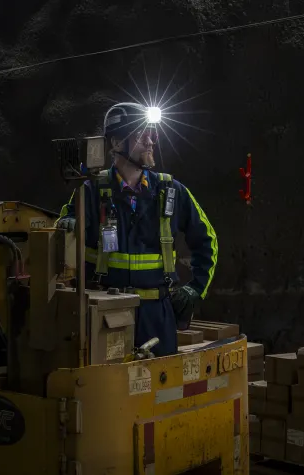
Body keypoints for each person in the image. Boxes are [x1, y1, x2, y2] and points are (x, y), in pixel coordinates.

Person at [56, 102, 218, 357]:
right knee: (107, 381)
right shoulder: (91, 191)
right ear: (117, 143)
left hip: (157, 315)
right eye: (142, 135)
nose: (151, 141)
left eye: (152, 134)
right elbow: (63, 228)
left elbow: (207, 240)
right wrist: (66, 227)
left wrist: (195, 289)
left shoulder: (171, 191)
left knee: (159, 380)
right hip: (104, 313)